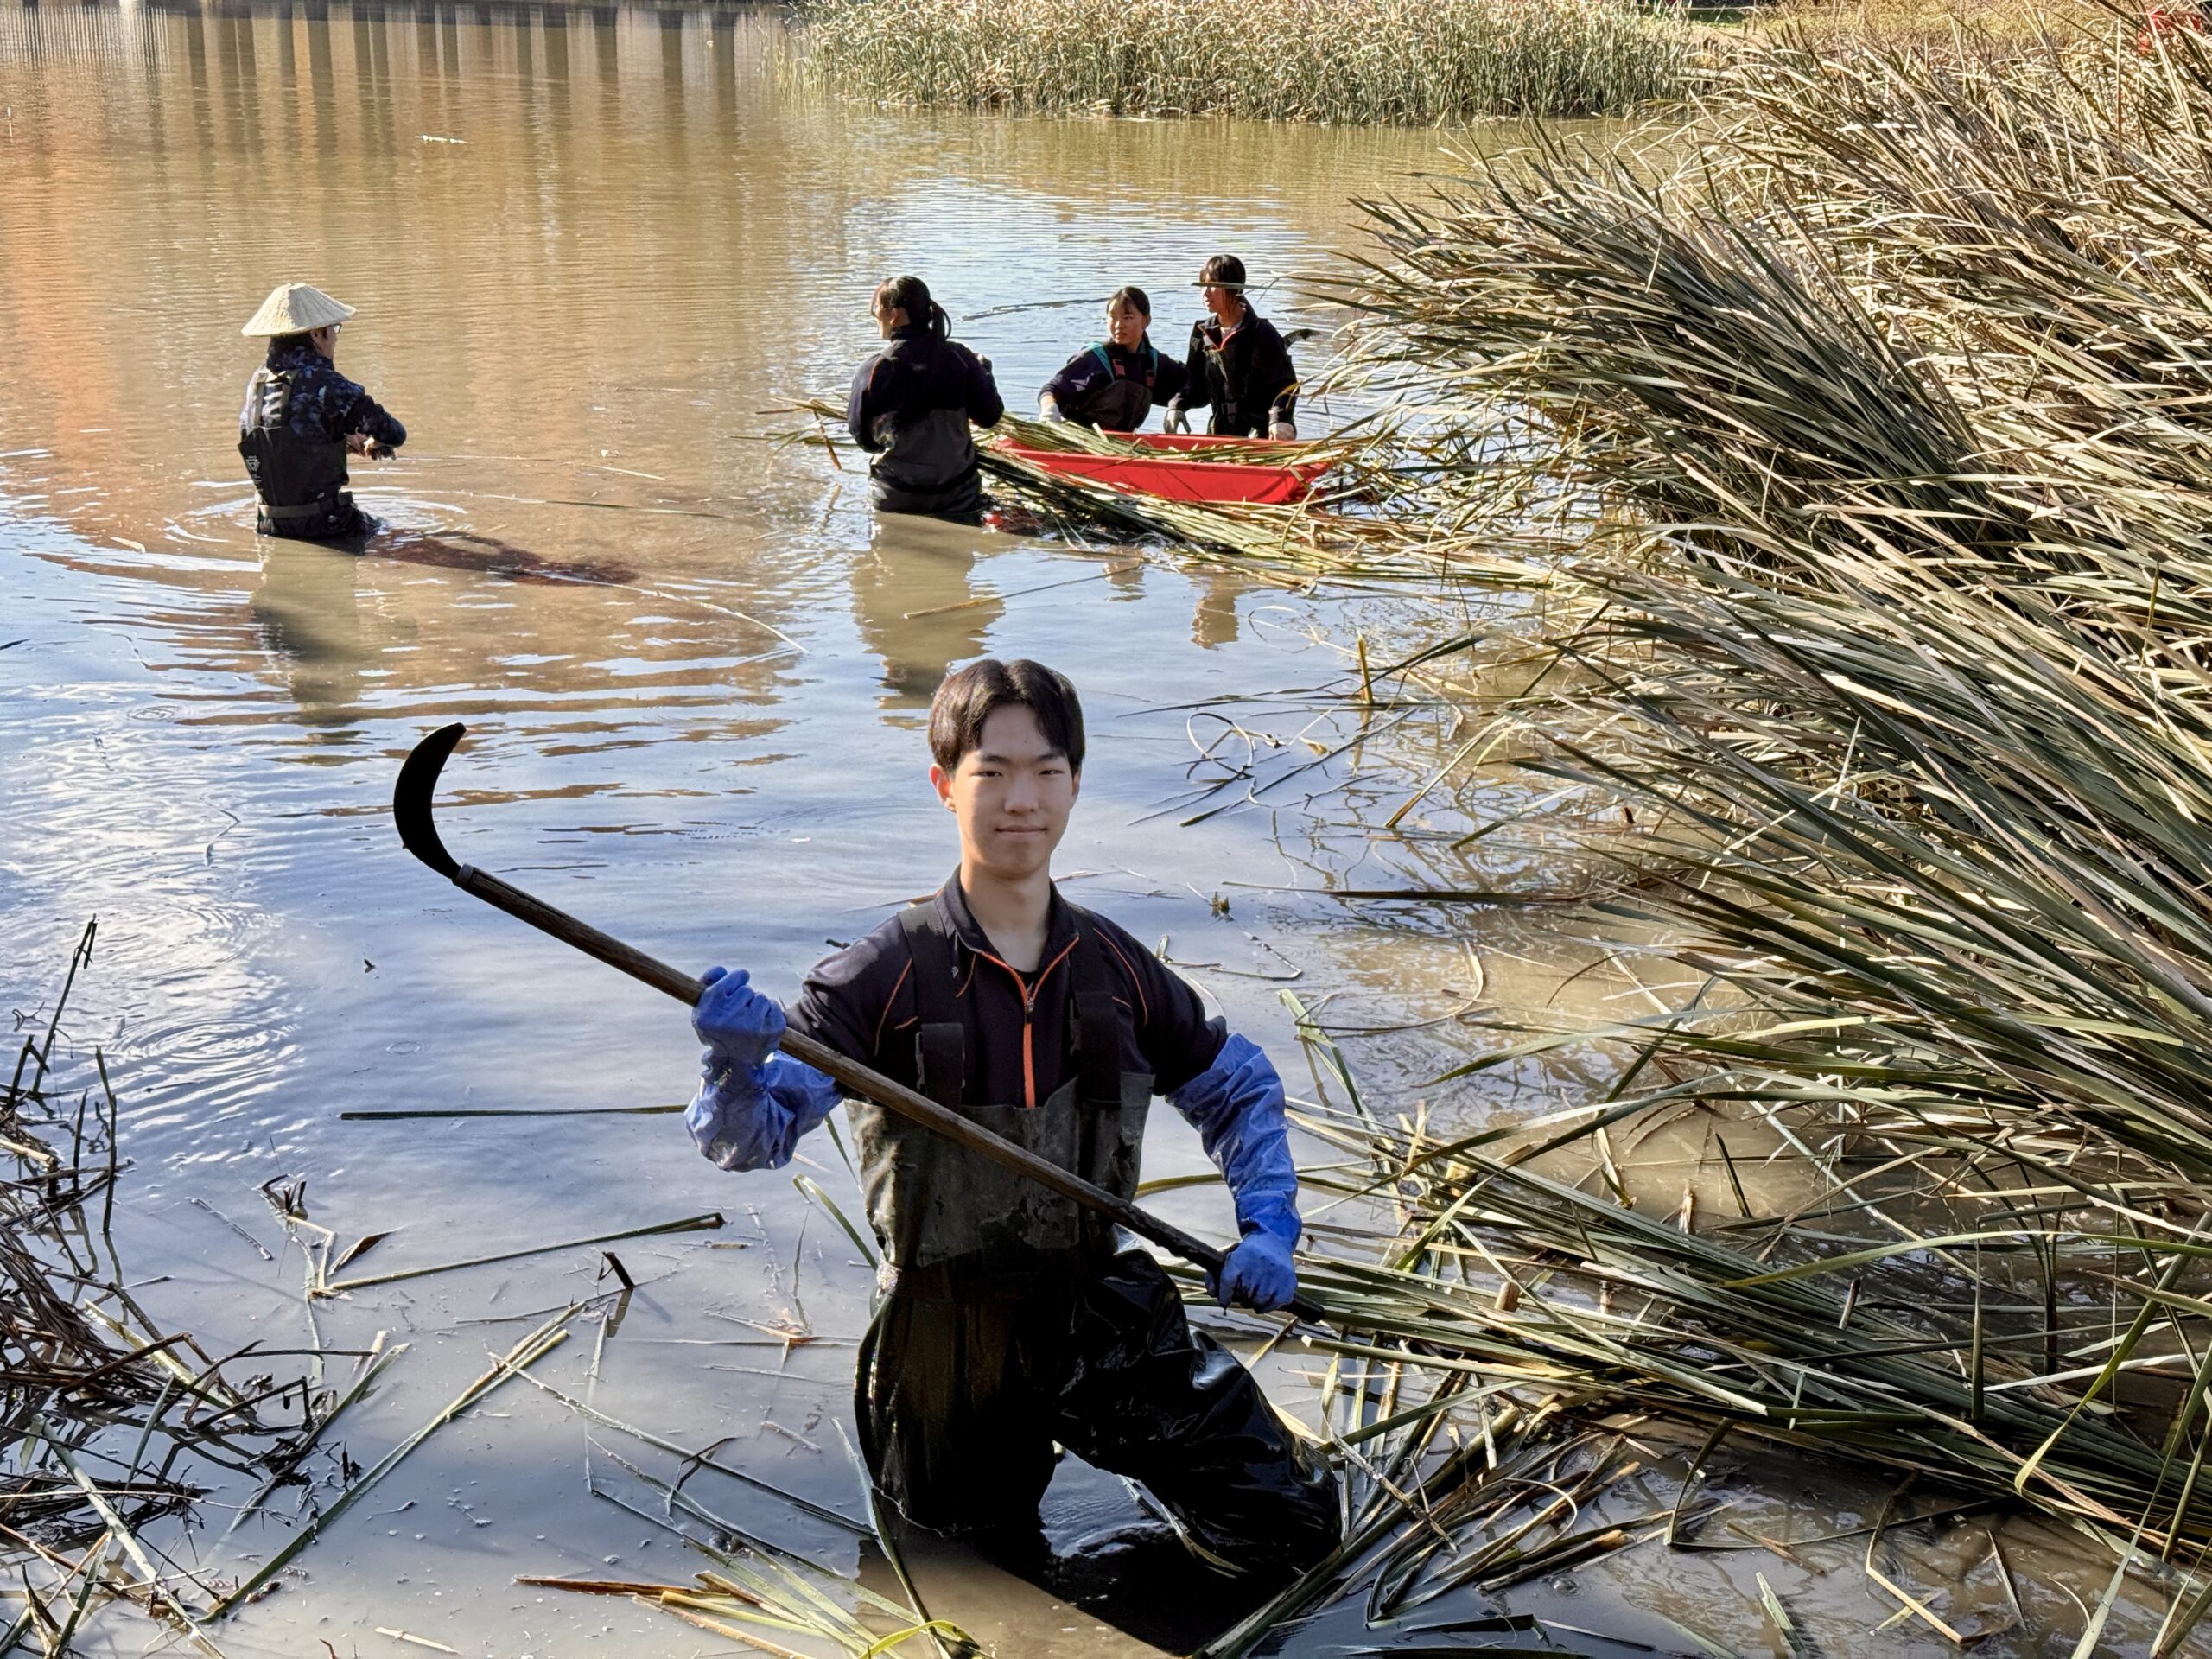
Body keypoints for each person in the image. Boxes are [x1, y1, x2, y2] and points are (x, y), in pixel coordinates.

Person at [684, 659, 1339, 1571]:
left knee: (1292, 1522)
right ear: (945, 785)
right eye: (991, 772)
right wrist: (732, 1069)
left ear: (1074, 784)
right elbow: (748, 1142)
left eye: (1045, 771)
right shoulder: (879, 976)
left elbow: (1238, 1087)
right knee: (960, 1570)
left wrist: (1268, 1229)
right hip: (943, 1335)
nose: (1020, 800)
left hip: (1098, 1303)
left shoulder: (1118, 967)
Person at [238, 282, 406, 541]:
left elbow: (279, 444)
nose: (336, 338)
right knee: (398, 539)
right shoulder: (327, 385)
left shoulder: (256, 385)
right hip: (329, 527)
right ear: (317, 334)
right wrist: (375, 442)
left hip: (270, 527)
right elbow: (394, 433)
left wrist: (341, 440)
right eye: (334, 329)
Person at [848, 276, 1005, 521]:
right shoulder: (961, 358)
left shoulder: (874, 369)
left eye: (875, 309)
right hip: (958, 494)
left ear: (895, 314)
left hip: (895, 495)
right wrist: (985, 372)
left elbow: (864, 438)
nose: (874, 315)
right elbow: (989, 417)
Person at [1163, 256, 1299, 442]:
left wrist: (1280, 419)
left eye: (1213, 285)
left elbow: (1286, 384)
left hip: (1263, 434)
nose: (1205, 292)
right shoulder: (1202, 333)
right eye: (1202, 285)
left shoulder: (1261, 332)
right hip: (1219, 435)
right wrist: (1176, 406)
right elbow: (1195, 384)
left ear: (1236, 288)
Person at [1037, 287, 1189, 431]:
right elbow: (1051, 390)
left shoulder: (1152, 362)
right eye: (1113, 317)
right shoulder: (1096, 357)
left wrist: (1176, 408)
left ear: (1146, 320)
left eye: (1127, 317)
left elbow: (1191, 382)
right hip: (1083, 438)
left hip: (1122, 441)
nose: (1118, 325)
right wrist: (1050, 412)